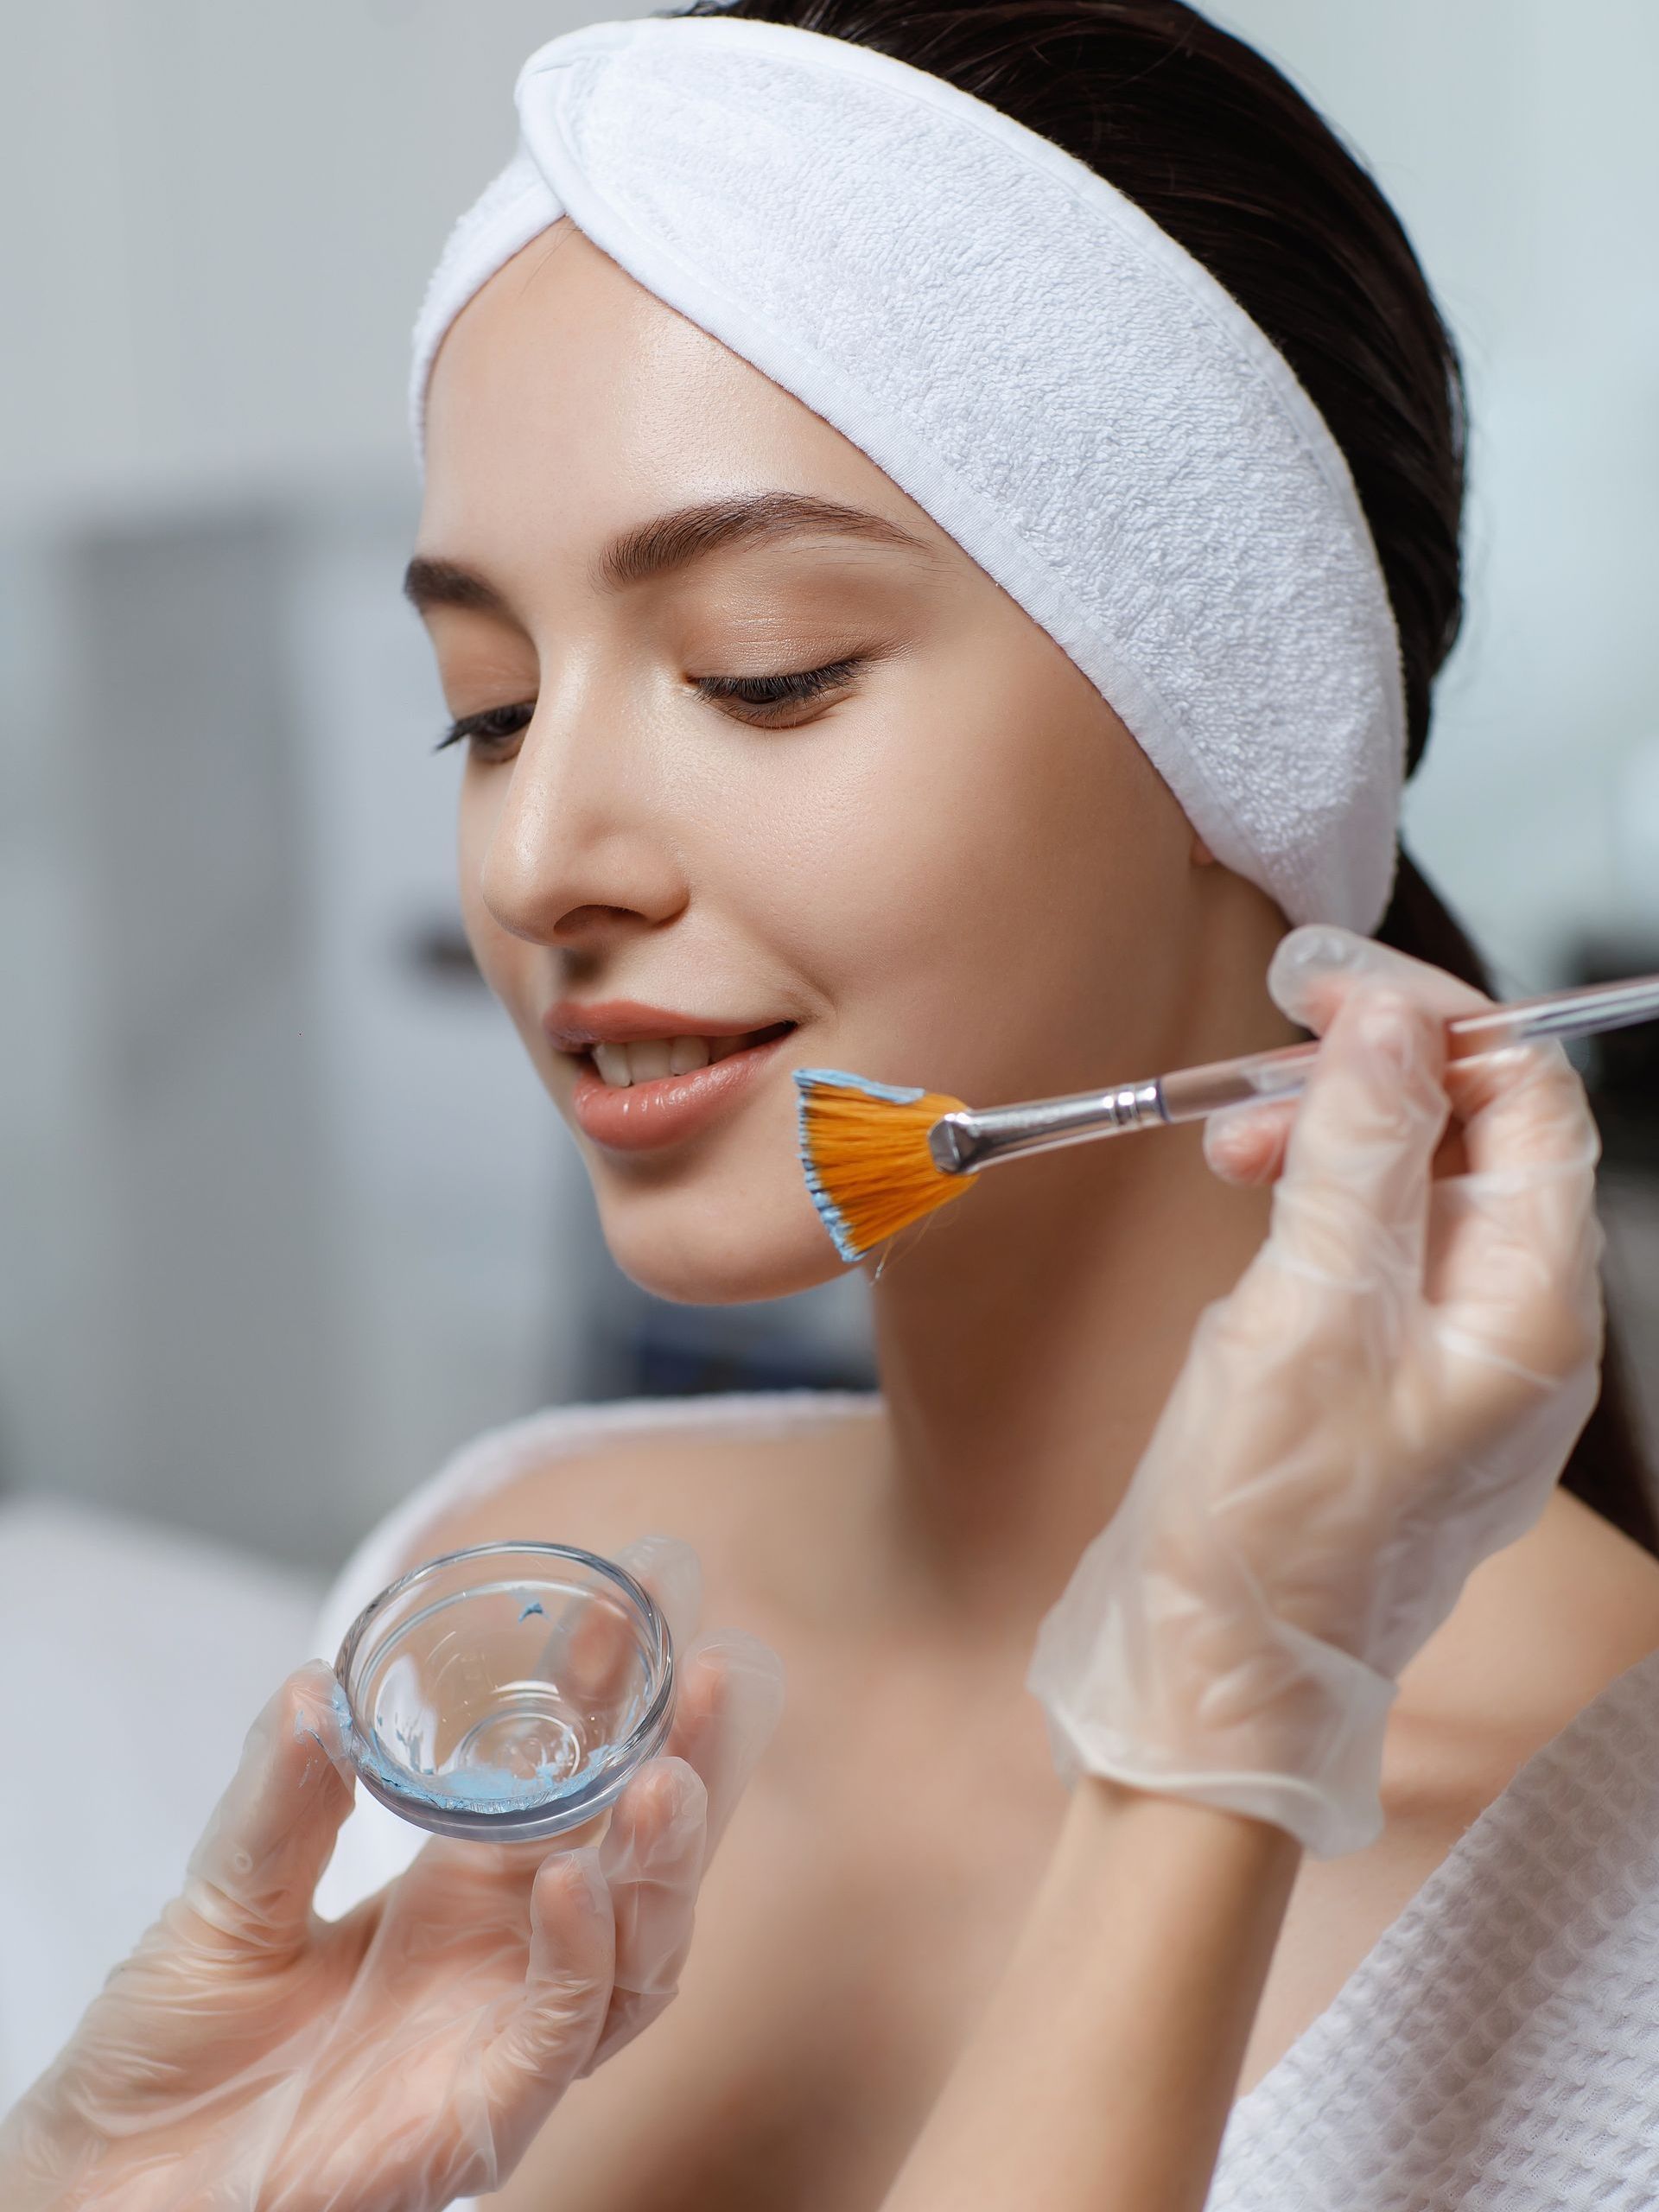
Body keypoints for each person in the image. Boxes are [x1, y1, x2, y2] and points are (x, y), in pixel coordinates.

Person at [11, 2, 1659, 2206]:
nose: (533, 860)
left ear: (1235, 750)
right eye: (485, 711)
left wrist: (1223, 1719)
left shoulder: (1615, 1856)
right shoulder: (514, 1605)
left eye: (762, 669)